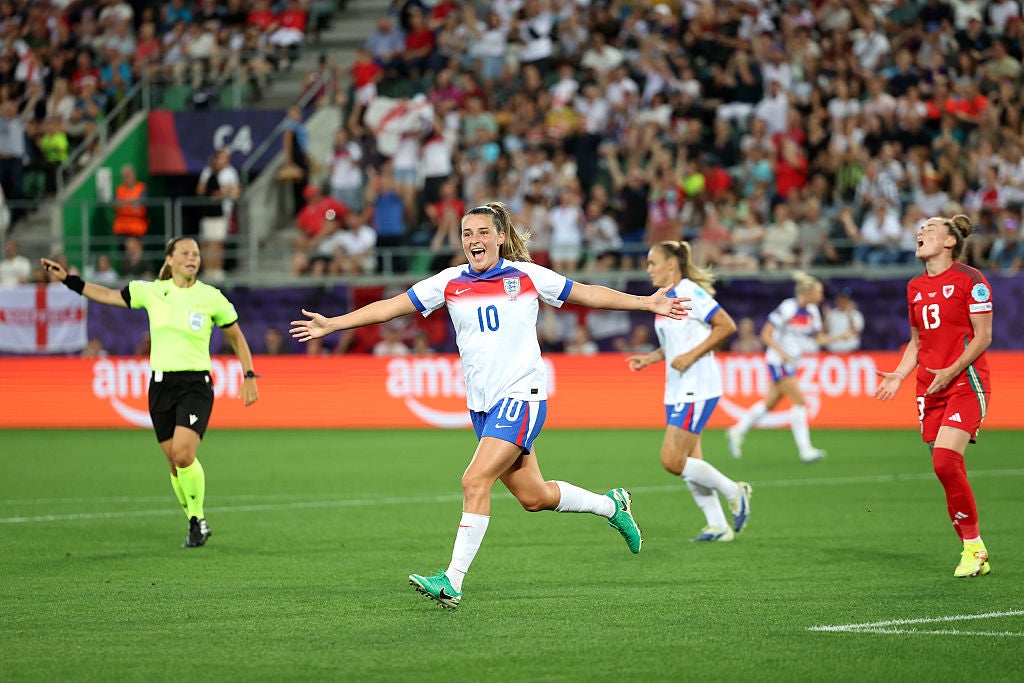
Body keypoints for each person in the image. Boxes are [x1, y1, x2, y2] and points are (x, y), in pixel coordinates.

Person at [290, 201, 689, 609]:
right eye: (467, 234)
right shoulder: (449, 282)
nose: (474, 240)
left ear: (500, 237)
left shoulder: (527, 276)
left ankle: (452, 581)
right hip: (483, 406)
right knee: (534, 497)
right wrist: (334, 323)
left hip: (523, 395)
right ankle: (612, 506)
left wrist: (645, 302)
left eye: (482, 232)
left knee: (473, 481)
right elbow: (390, 307)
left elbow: (587, 294)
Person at [40, 237, 259, 548]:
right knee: (173, 462)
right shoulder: (152, 291)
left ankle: (197, 519)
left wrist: (248, 374)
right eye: (184, 252)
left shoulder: (212, 297)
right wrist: (69, 281)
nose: (192, 258)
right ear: (169, 259)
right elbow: (106, 295)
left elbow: (237, 338)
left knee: (184, 455)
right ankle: (195, 523)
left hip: (195, 385)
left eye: (196, 253)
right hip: (160, 386)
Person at [874, 214, 994, 579]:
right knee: (946, 469)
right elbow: (916, 342)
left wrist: (952, 370)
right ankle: (972, 546)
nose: (920, 232)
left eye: (930, 228)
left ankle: (973, 547)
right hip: (929, 388)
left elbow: (983, 337)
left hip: (964, 382)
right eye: (919, 229)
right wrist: (899, 373)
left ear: (949, 242)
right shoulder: (914, 287)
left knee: (944, 460)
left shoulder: (971, 280)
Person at [626, 241, 753, 542]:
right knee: (691, 460)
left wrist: (691, 356)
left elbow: (726, 326)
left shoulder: (690, 292)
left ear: (671, 264)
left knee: (672, 460)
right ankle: (718, 525)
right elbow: (675, 344)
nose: (649, 269)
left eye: (652, 262)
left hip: (697, 387)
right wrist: (652, 358)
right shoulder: (666, 297)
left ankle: (734, 490)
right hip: (678, 389)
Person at [726, 272, 828, 463]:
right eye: (819, 292)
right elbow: (766, 334)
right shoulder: (788, 307)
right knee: (799, 401)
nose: (822, 296)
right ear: (808, 292)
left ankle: (737, 430)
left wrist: (842, 337)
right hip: (778, 362)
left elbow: (819, 338)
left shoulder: (813, 312)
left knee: (770, 403)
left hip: (791, 362)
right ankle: (805, 451)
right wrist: (781, 353)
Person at [823, 288, 865, 353]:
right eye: (840, 299)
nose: (842, 301)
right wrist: (825, 317)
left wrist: (850, 315)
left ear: (849, 301)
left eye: (845, 299)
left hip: (851, 350)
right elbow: (824, 332)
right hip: (833, 350)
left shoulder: (856, 314)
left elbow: (857, 332)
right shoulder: (831, 314)